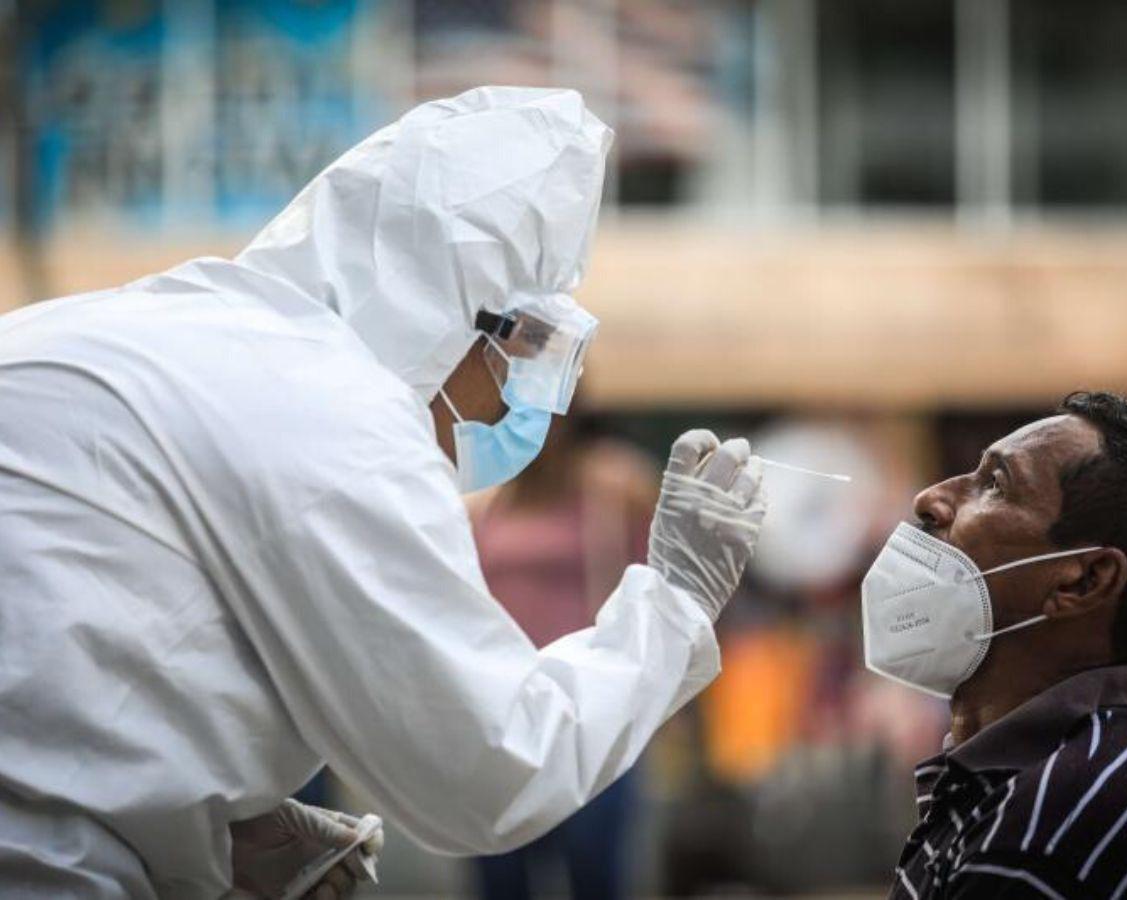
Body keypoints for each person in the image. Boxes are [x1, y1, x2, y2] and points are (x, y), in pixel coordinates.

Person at [0, 87, 766, 898]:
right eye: (529, 358)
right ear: (460, 324)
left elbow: (90, 635)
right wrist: (677, 603)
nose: (522, 408)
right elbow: (494, 769)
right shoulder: (337, 418)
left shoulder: (171, 324)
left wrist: (214, 826)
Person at [861, 391, 1127, 899]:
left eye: (995, 484)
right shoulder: (1040, 775)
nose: (931, 497)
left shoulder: (1055, 824)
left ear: (1083, 582)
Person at [467, 413, 658, 899]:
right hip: (502, 717)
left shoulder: (614, 489)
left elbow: (651, 591)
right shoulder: (481, 501)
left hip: (590, 715)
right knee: (501, 877)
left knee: (594, 869)